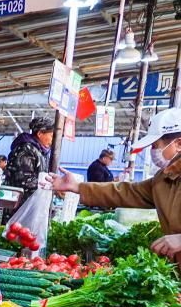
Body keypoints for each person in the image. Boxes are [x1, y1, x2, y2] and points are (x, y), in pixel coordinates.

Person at [51, 108, 181, 261]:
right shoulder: (163, 179)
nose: (152, 152)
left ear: (178, 144)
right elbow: (125, 192)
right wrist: (78, 187)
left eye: (155, 146)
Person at [4, 117, 55, 200]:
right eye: (52, 136)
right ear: (40, 134)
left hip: (34, 203)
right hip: (21, 205)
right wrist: (52, 186)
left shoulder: (42, 152)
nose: (53, 140)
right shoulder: (26, 150)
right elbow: (24, 180)